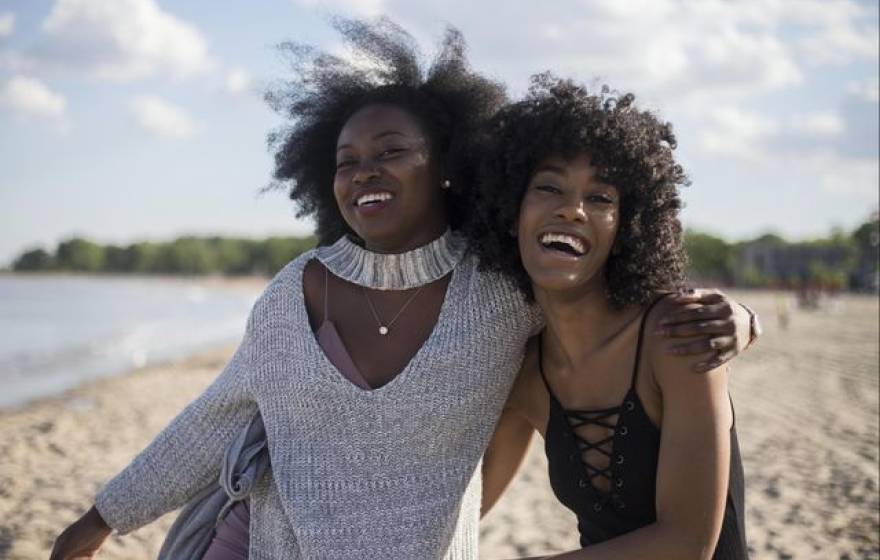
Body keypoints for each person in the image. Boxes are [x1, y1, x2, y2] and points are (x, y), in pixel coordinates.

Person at [49, 20, 756, 560]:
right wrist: (101, 518)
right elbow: (216, 416)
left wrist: (742, 317)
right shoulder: (294, 292)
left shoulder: (502, 296)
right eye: (347, 161)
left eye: (392, 152)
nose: (366, 173)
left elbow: (597, 309)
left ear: (447, 168)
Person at [471, 75, 750, 559]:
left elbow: (686, 545)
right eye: (548, 187)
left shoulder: (675, 336)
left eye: (600, 198)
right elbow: (463, 508)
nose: (573, 210)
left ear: (627, 226)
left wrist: (746, 318)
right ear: (510, 211)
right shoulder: (526, 372)